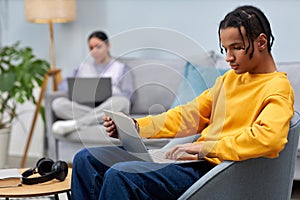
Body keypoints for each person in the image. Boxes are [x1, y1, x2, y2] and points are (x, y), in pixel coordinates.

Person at [71, 5, 294, 199]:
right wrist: (137, 127)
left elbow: (269, 139)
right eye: (225, 49)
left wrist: (203, 148)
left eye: (236, 47)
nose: (228, 57)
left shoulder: (277, 87)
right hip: (190, 161)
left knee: (120, 175)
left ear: (261, 42)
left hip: (211, 172)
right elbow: (189, 115)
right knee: (86, 159)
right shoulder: (230, 80)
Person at [51, 31, 134, 136]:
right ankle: (96, 119)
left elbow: (128, 95)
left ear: (108, 46)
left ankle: (76, 124)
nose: (94, 51)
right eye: (91, 48)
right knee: (57, 103)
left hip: (111, 107)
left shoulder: (122, 67)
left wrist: (111, 95)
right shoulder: (83, 67)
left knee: (121, 101)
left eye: (98, 47)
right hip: (88, 107)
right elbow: (63, 86)